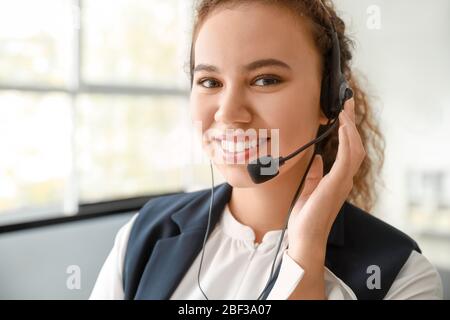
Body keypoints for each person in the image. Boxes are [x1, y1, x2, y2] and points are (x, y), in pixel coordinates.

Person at [90, 0, 443, 299]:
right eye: (210, 82)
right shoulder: (145, 234)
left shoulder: (401, 277)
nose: (228, 112)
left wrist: (306, 252)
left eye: (265, 80)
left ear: (329, 100)